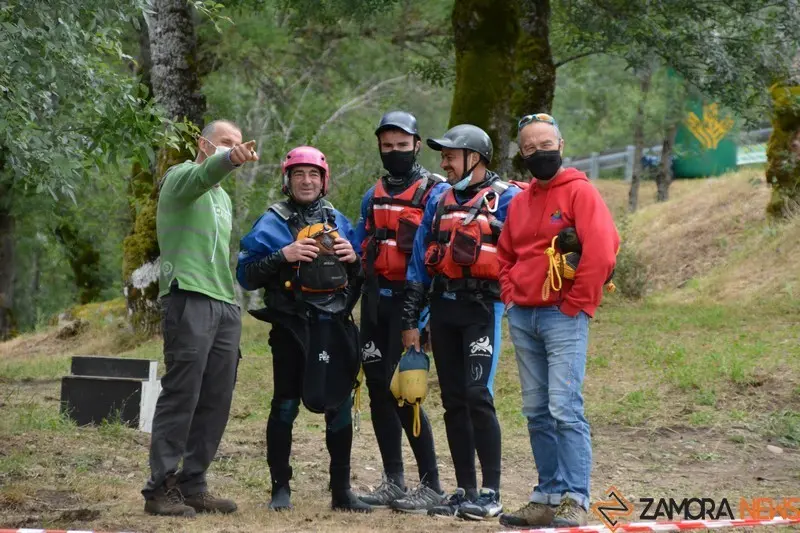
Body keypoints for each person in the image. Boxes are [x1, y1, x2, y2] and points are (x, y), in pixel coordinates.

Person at [496, 113, 619, 528]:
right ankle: (546, 494)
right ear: (522, 154)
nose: (538, 152)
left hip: (561, 315)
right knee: (535, 410)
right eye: (529, 148)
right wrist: (511, 297)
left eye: (545, 144)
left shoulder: (580, 193)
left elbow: (602, 251)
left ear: (561, 146)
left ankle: (575, 498)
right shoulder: (522, 199)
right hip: (524, 315)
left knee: (564, 408)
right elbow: (506, 254)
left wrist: (577, 304)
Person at [236, 146, 371, 513]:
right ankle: (280, 487)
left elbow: (361, 275)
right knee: (285, 404)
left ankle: (341, 491)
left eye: (313, 175)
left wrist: (354, 260)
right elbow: (245, 275)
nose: (306, 181)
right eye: (299, 175)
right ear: (287, 180)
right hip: (291, 326)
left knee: (339, 404)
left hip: (334, 324)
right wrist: (284, 255)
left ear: (323, 181)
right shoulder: (272, 222)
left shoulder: (338, 221)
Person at [400, 124, 523, 521]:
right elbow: (420, 260)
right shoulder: (439, 198)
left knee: (477, 396)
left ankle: (491, 492)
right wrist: (411, 319)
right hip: (444, 308)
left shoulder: (507, 198)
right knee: (453, 400)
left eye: (450, 156)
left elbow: (526, 246)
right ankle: (465, 489)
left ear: (476, 158)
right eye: (443, 157)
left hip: (483, 309)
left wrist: (496, 231)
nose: (444, 163)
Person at [142, 119, 258, 517]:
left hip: (224, 304)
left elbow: (216, 177)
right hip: (187, 298)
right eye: (226, 143)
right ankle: (159, 489)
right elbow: (207, 171)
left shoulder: (222, 198)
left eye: (238, 145)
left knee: (216, 398)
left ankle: (193, 484)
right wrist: (227, 159)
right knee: (182, 394)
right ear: (202, 142)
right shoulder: (180, 177)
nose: (233, 150)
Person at [353, 111, 448, 512]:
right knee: (377, 390)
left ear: (417, 145)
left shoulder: (435, 192)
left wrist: (422, 319)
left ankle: (432, 484)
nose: (394, 152)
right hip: (375, 303)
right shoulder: (371, 195)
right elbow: (360, 248)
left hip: (413, 306)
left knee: (405, 393)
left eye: (401, 145)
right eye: (387, 146)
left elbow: (438, 257)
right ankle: (393, 479)